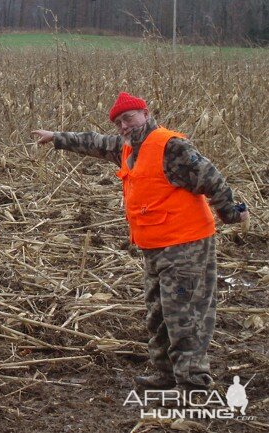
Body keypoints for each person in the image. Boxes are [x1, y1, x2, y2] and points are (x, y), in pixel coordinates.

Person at [32, 92, 249, 392]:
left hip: (187, 247)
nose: (123, 126)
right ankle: (166, 375)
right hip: (155, 248)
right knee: (158, 315)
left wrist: (230, 213)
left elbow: (213, 180)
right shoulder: (128, 147)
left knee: (184, 317)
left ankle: (193, 385)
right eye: (118, 122)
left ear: (145, 114)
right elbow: (94, 142)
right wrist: (57, 137)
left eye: (129, 118)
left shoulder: (170, 147)